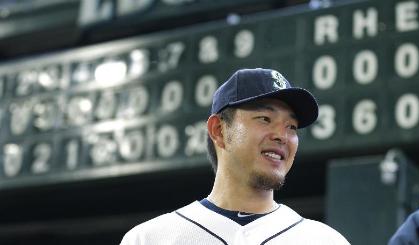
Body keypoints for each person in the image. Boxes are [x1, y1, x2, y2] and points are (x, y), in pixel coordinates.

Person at [120, 68, 349, 244]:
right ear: (219, 131)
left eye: (291, 127)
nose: (282, 136)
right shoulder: (148, 239)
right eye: (265, 119)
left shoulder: (325, 241)